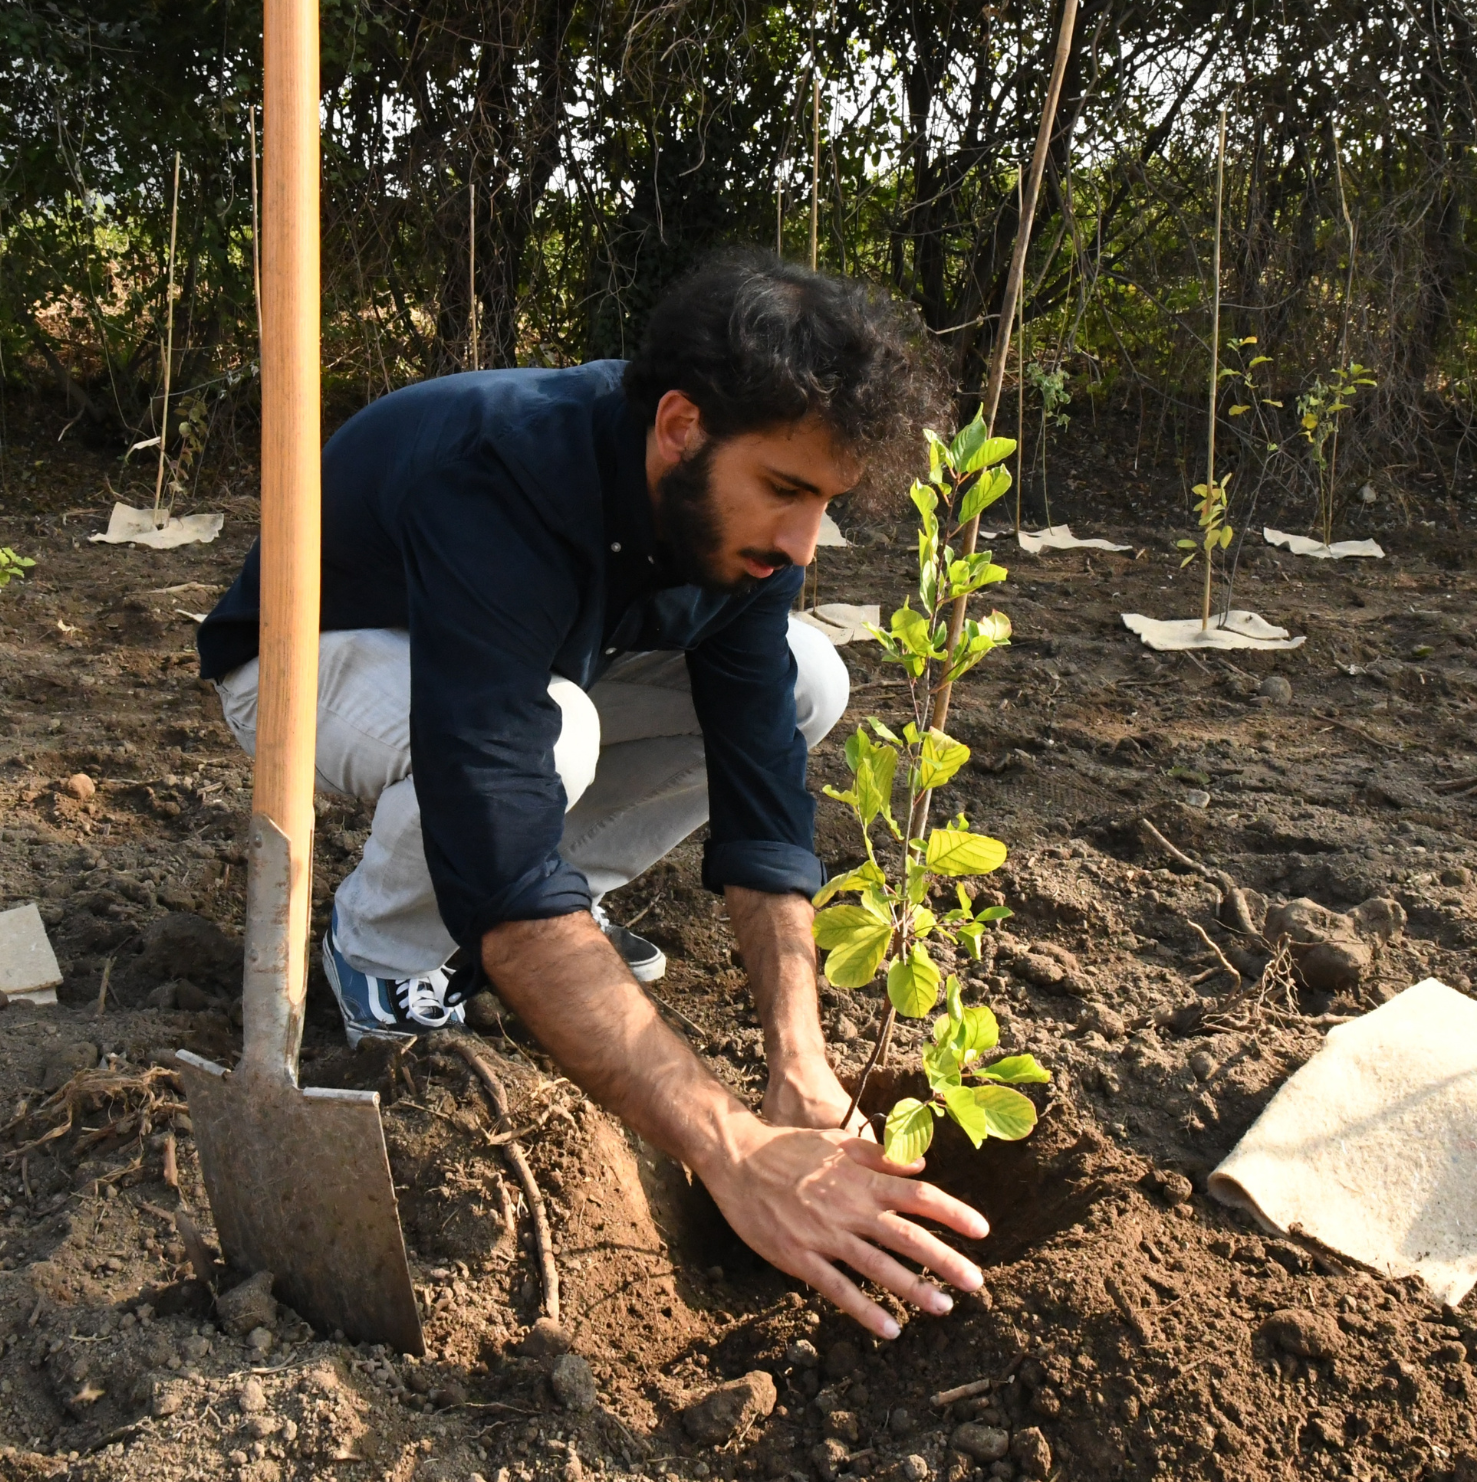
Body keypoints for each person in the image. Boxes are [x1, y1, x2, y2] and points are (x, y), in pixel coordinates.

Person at [194, 249, 987, 1337]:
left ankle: (575, 910)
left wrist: (797, 1070)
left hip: (510, 663)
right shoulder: (499, 475)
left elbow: (762, 800)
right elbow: (503, 851)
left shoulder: (739, 520)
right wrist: (729, 1147)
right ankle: (380, 955)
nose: (804, 541)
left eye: (827, 503)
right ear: (678, 427)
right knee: (548, 739)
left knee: (810, 679)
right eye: (788, 492)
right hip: (306, 663)